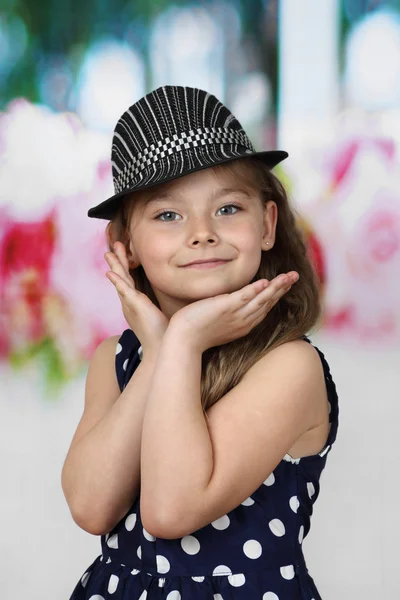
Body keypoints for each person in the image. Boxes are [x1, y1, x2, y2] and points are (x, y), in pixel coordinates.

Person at [62, 85, 339, 600]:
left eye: (229, 208)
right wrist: (163, 349)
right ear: (126, 248)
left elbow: (172, 510)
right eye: (168, 215)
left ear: (267, 224)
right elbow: (90, 505)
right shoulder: (116, 361)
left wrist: (182, 341)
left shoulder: (287, 366)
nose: (202, 233)